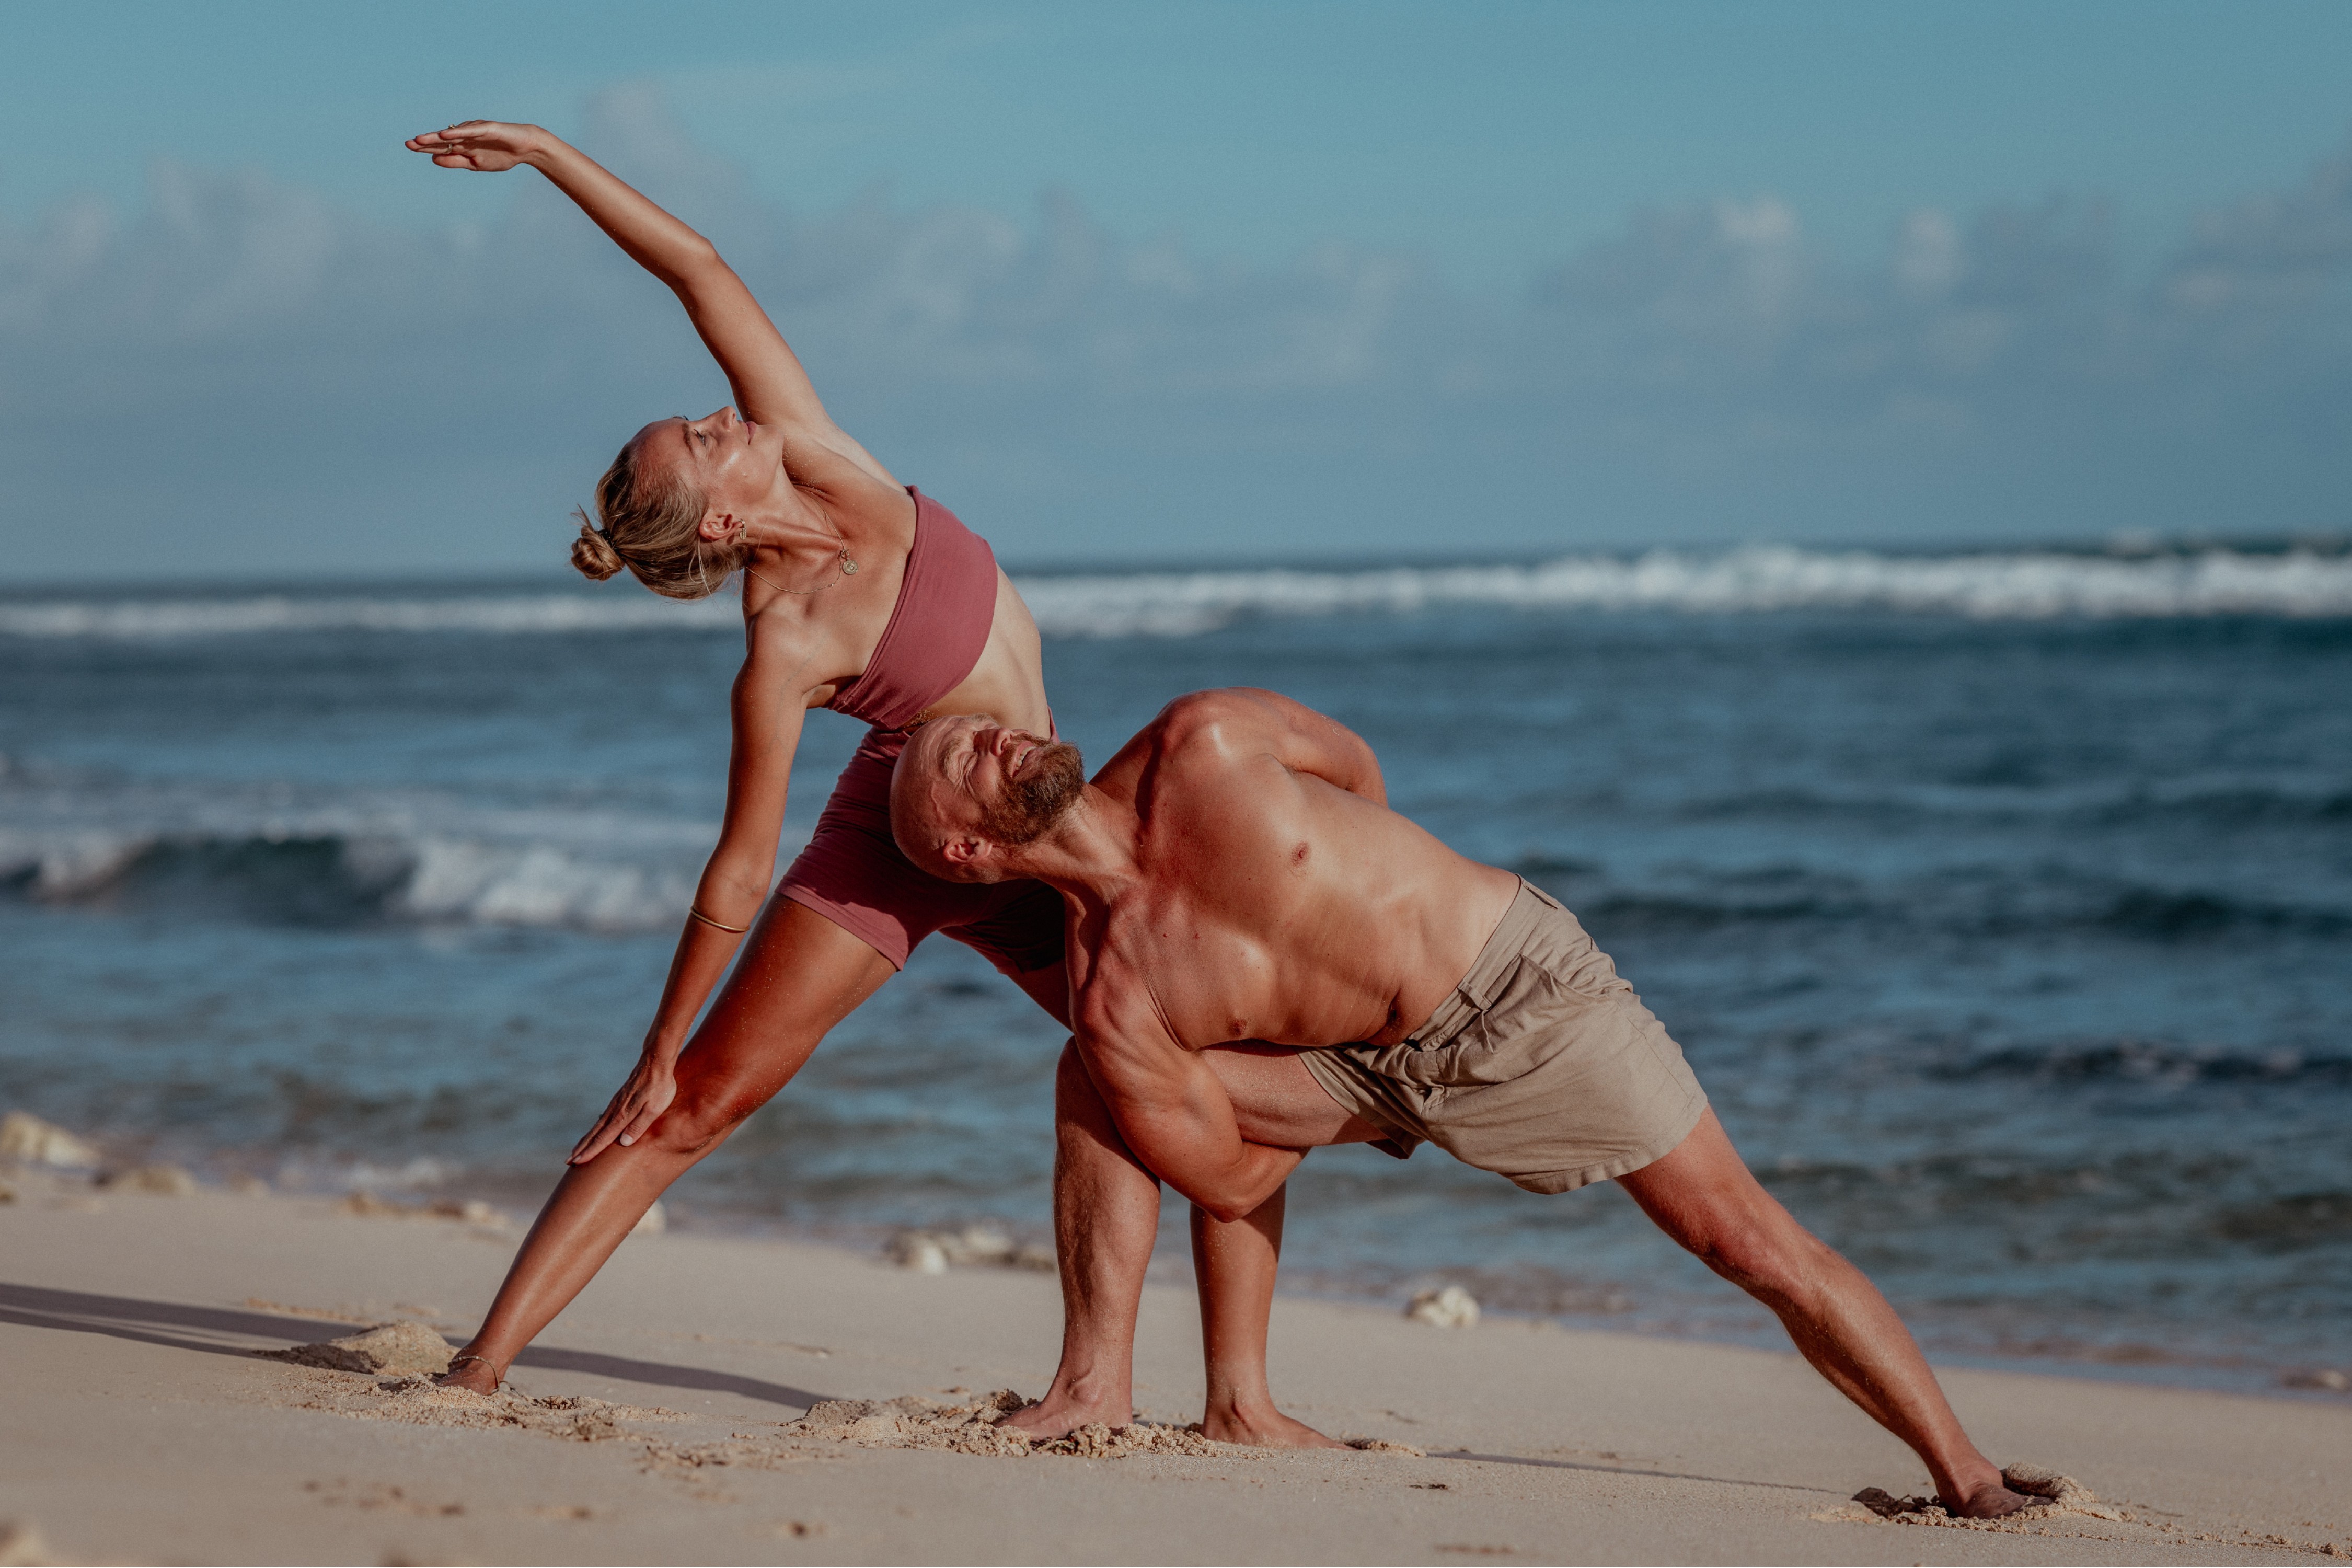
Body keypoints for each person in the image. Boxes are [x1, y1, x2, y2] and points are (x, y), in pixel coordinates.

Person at [887, 690, 2046, 1518]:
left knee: (1742, 1240)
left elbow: (1354, 767)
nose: (997, 733)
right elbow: (1233, 1176)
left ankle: (1966, 1474)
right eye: (962, 756)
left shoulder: (1205, 738)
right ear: (964, 846)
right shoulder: (1119, 1001)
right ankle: (1143, 1393)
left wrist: (1368, 909)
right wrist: (1321, 1080)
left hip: (1517, 993)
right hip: (1360, 1070)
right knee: (1098, 1074)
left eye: (987, 726)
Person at [400, 120, 1071, 1394]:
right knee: (697, 1101)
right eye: (704, 437)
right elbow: (738, 865)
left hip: (1013, 820)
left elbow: (698, 269)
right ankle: (482, 1365)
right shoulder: (780, 650)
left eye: (703, 416)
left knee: (1175, 1046)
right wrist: (660, 1042)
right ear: (719, 517)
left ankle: (1209, 1389)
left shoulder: (819, 457)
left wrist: (548, 157)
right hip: (899, 836)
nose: (723, 413)